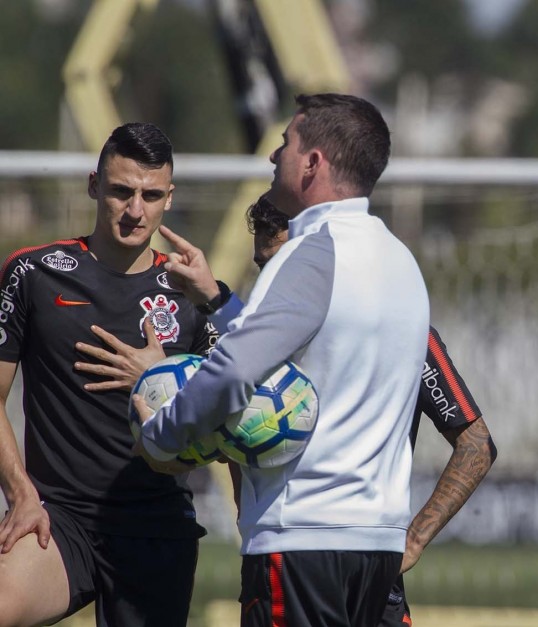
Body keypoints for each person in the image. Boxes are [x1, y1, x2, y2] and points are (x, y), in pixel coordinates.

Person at [79, 195, 498, 625]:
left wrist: (414, 540)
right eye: (264, 266)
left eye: (284, 263)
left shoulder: (402, 335)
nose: (274, 277)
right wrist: (167, 383)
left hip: (361, 564)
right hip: (285, 550)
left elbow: (476, 443)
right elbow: (227, 436)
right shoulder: (246, 346)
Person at [134, 93, 430, 627]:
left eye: (286, 144)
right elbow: (310, 353)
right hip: (379, 544)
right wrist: (218, 301)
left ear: (313, 162)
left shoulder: (311, 251)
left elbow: (235, 369)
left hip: (302, 538)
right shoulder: (400, 259)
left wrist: (162, 434)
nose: (274, 155)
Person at [0, 123, 219, 626]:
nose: (135, 209)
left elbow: (226, 417)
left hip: (157, 525)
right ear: (94, 184)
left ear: (169, 197)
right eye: (122, 191)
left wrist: (159, 376)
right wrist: (20, 494)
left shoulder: (192, 294)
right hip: (59, 520)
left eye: (151, 194)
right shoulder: (34, 274)